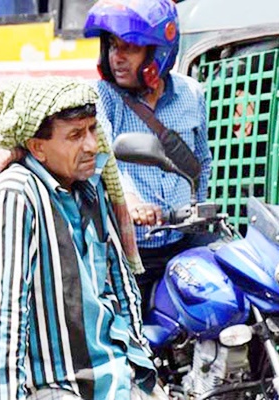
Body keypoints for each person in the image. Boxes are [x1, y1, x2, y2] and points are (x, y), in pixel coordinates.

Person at [0, 77, 165, 399]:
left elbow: (120, 285)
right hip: (60, 386)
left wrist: (144, 370)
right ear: (37, 147)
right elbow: (7, 315)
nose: (91, 145)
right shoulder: (18, 193)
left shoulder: (88, 187)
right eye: (74, 135)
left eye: (91, 130)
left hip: (115, 375)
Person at [84, 0, 214, 290]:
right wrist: (130, 202)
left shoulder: (191, 94)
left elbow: (202, 161)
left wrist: (197, 213)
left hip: (184, 246)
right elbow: (103, 162)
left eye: (129, 47)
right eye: (112, 46)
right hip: (132, 253)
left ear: (159, 51)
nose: (117, 57)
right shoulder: (103, 98)